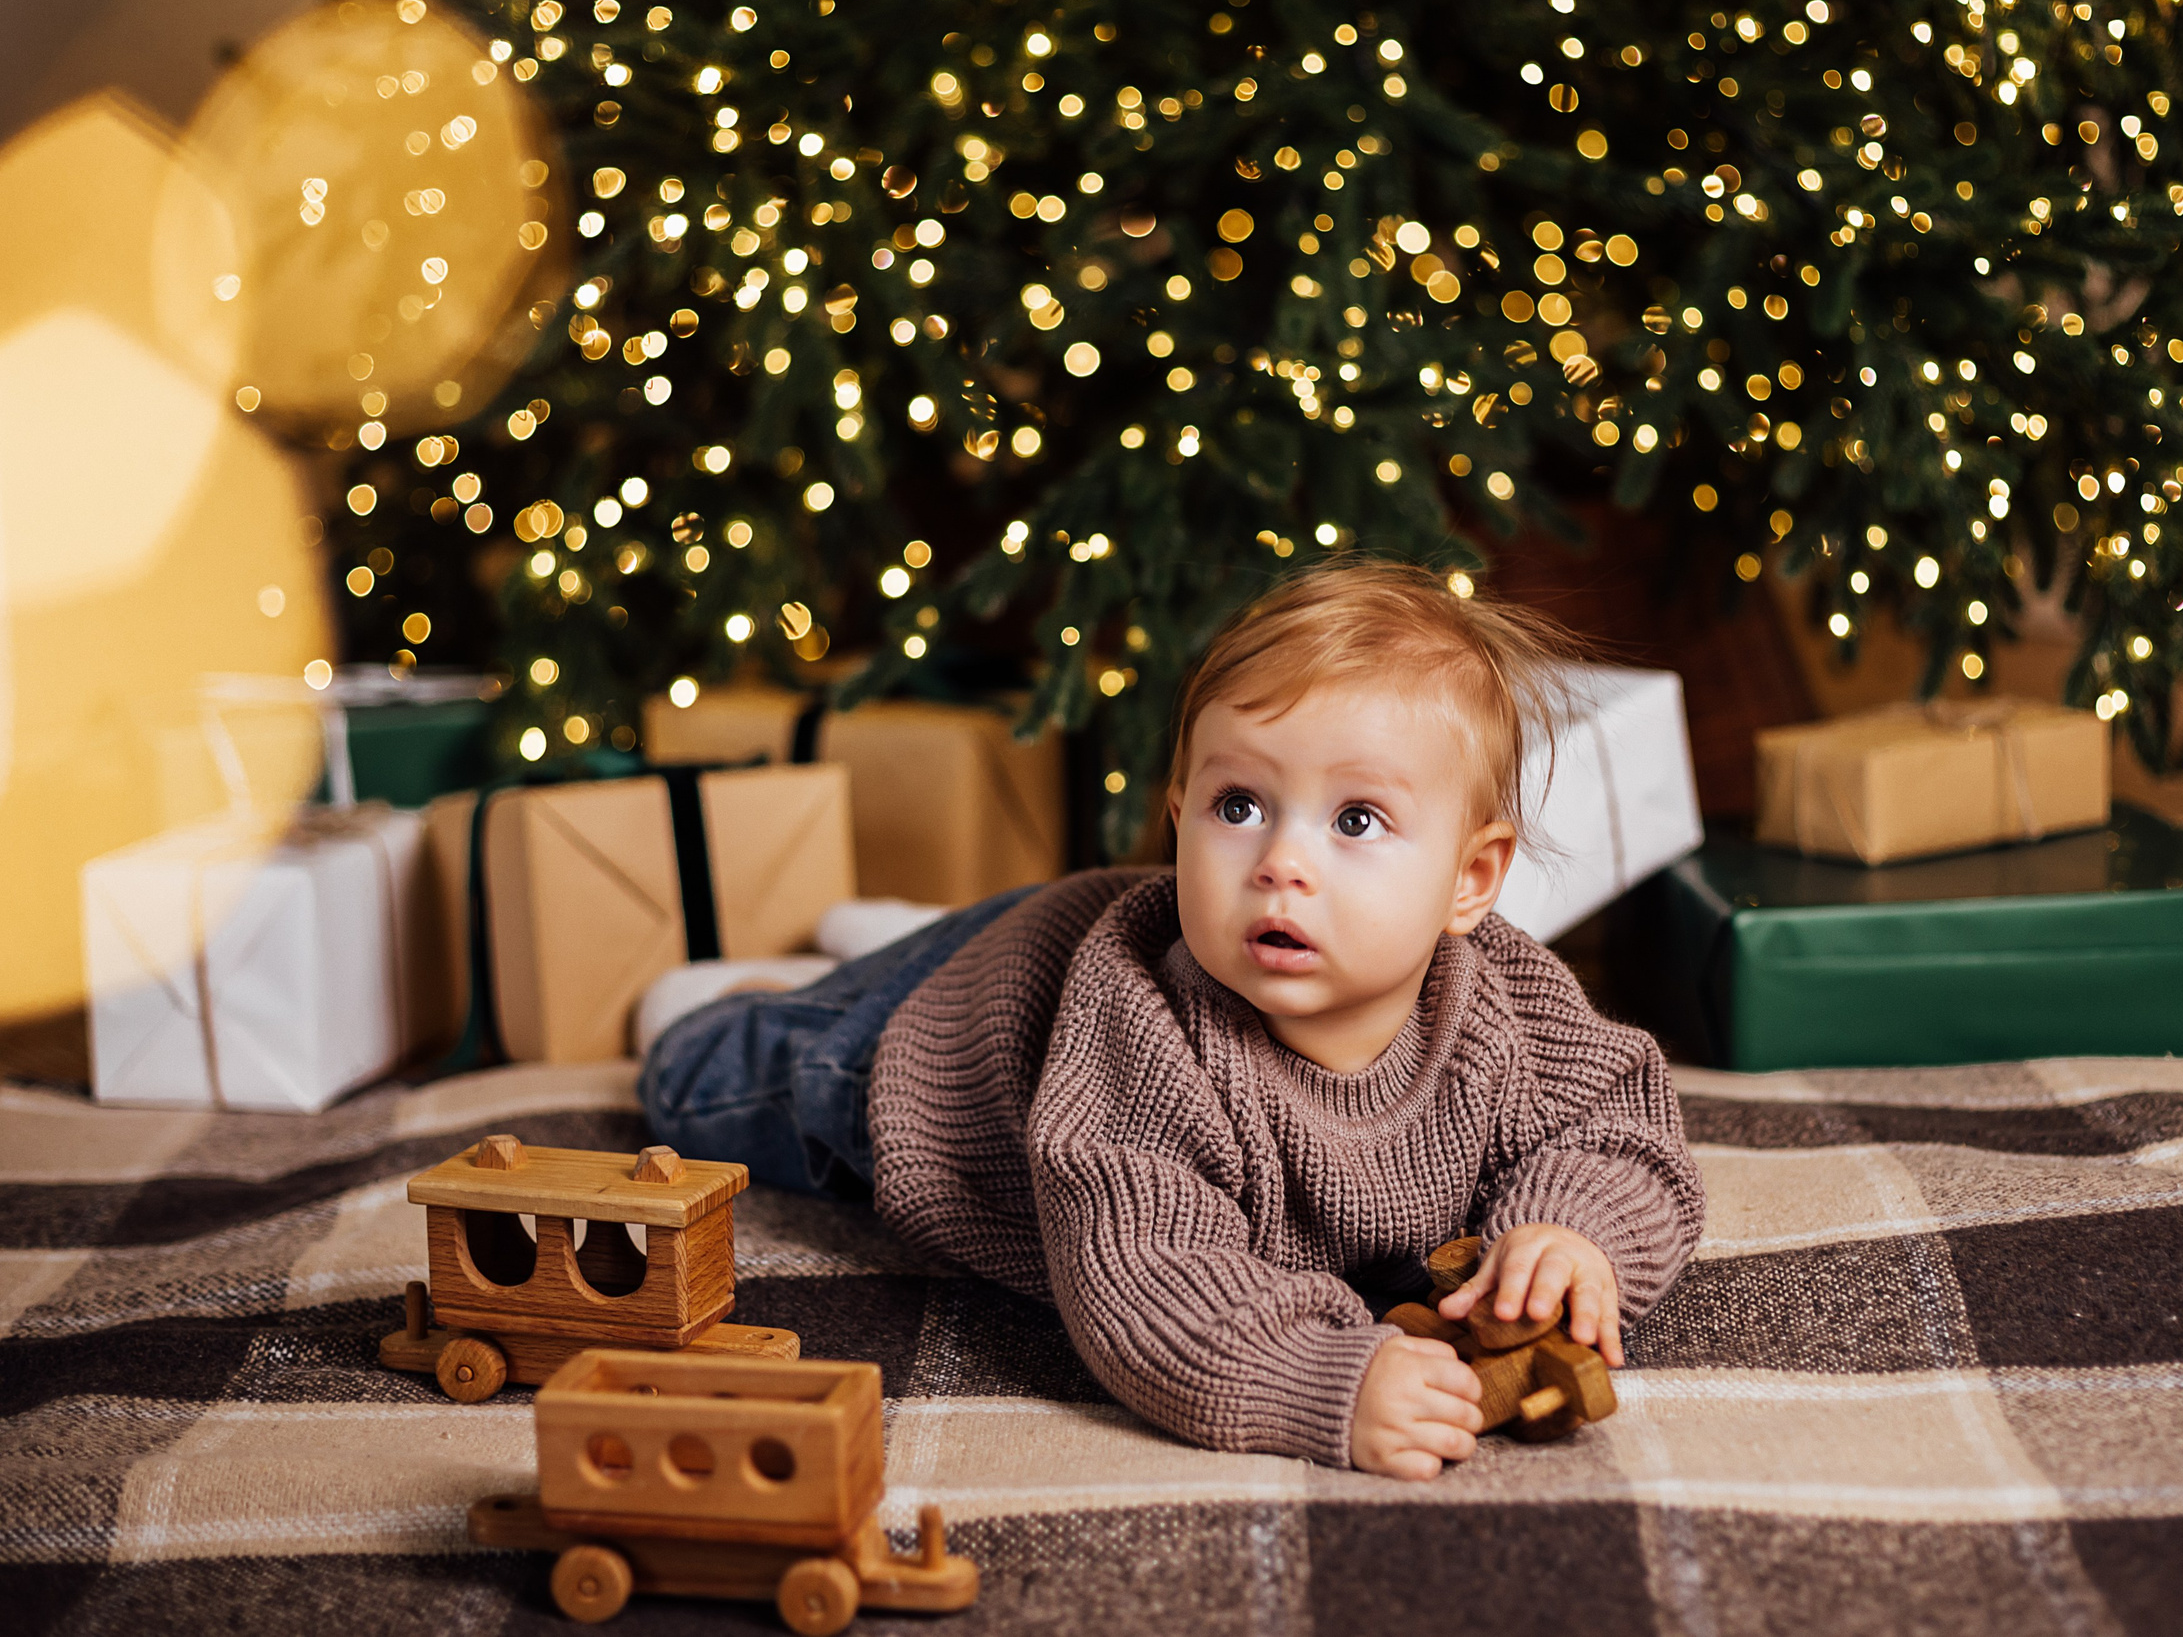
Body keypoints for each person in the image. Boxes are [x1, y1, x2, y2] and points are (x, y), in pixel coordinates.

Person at [642, 560, 1704, 1479]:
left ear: (1470, 879)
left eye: (1356, 820)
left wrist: (1572, 1233)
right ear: (1181, 811)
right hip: (947, 1048)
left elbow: (1622, 1134)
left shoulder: (1504, 1000)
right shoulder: (1146, 1039)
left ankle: (909, 933)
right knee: (708, 1080)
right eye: (1237, 805)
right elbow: (1146, 1284)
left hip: (1044, 936)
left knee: (962, 939)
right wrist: (1321, 1378)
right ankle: (764, 989)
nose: (1281, 861)